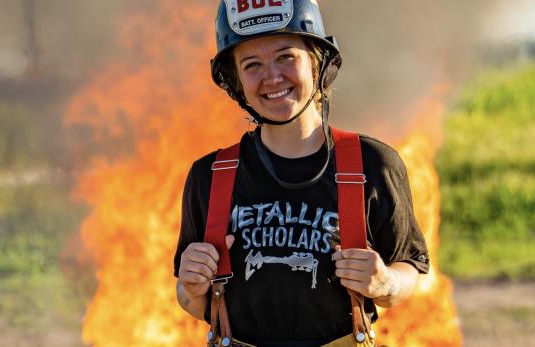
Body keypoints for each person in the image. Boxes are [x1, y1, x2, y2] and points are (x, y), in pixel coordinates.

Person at [173, 1, 429, 346]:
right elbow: (194, 302)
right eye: (252, 65)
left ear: (315, 61)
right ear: (235, 80)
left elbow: (409, 267)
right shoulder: (211, 176)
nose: (272, 77)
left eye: (286, 56)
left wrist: (385, 283)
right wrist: (190, 286)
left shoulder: (372, 164)